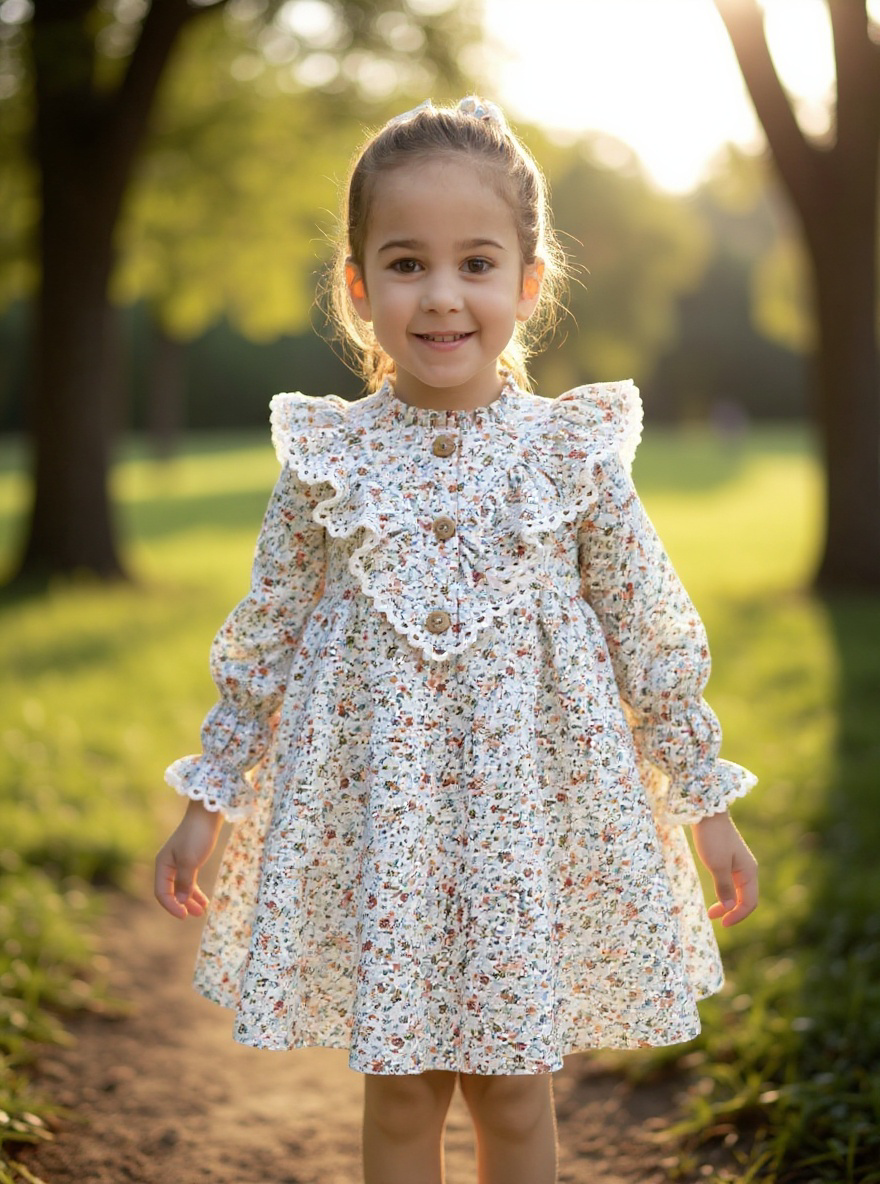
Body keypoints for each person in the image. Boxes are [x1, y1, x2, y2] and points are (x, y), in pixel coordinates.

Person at [155, 96, 758, 1184]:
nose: (441, 295)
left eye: (476, 263)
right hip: (383, 823)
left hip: (520, 828)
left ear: (530, 282)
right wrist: (208, 804)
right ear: (358, 288)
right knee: (400, 1096)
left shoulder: (570, 454)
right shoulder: (328, 459)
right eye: (404, 263)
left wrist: (705, 809)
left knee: (514, 1095)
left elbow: (650, 632)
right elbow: (265, 635)